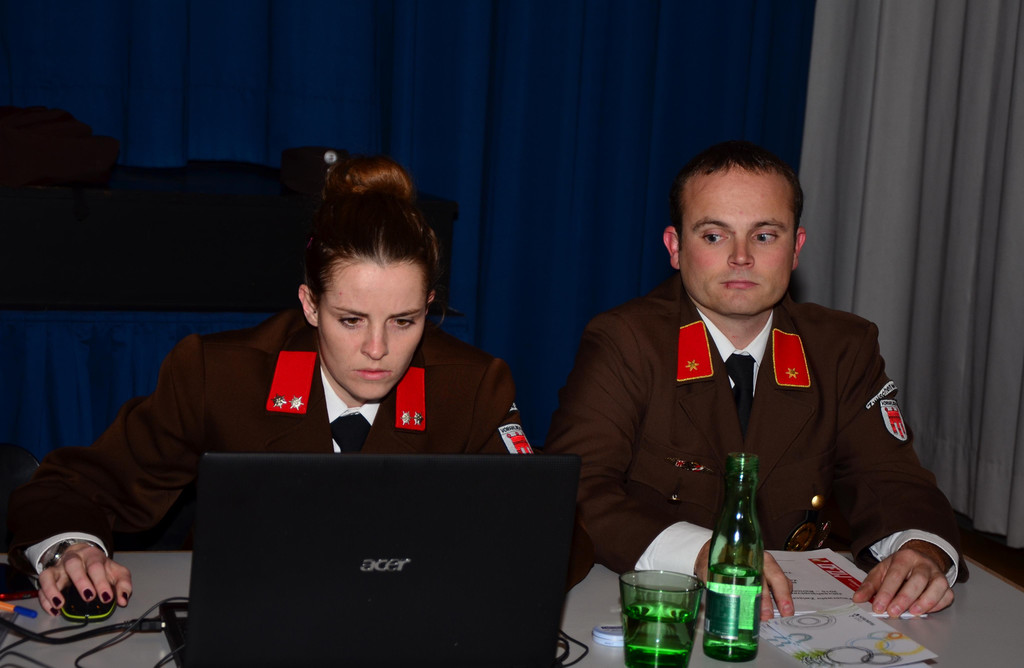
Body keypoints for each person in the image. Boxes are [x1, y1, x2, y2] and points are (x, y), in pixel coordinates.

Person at [8, 155, 569, 617]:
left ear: (428, 307)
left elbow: (551, 526)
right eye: (351, 320)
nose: (377, 349)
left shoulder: (470, 389)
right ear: (309, 304)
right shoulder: (219, 376)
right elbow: (73, 486)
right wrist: (71, 548)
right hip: (252, 626)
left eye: (404, 321)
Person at [545, 140, 963, 620]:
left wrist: (920, 548)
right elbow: (577, 488)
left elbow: (890, 478)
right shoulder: (627, 342)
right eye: (714, 236)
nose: (741, 257)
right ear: (675, 248)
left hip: (801, 619)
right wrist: (702, 553)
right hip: (666, 610)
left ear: (796, 248)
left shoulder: (841, 347)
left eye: (764, 236)